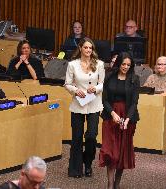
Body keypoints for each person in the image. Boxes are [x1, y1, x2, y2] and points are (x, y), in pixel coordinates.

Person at [65, 37, 105, 178]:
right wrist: (76, 90)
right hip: (78, 104)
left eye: (90, 48)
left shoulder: (99, 64)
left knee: (91, 137)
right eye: (86, 47)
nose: (88, 50)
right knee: (76, 137)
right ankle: (76, 169)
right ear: (80, 48)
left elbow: (102, 84)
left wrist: (96, 88)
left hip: (94, 104)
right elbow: (67, 84)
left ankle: (88, 163)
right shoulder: (72, 65)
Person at [99, 52, 140, 189]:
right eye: (124, 64)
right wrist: (112, 113)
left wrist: (127, 119)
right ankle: (110, 185)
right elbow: (104, 99)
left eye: (129, 65)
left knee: (122, 153)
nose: (126, 67)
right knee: (111, 152)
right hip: (110, 116)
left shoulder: (135, 79)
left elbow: (134, 102)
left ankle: (117, 185)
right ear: (119, 63)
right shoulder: (109, 76)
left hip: (128, 118)